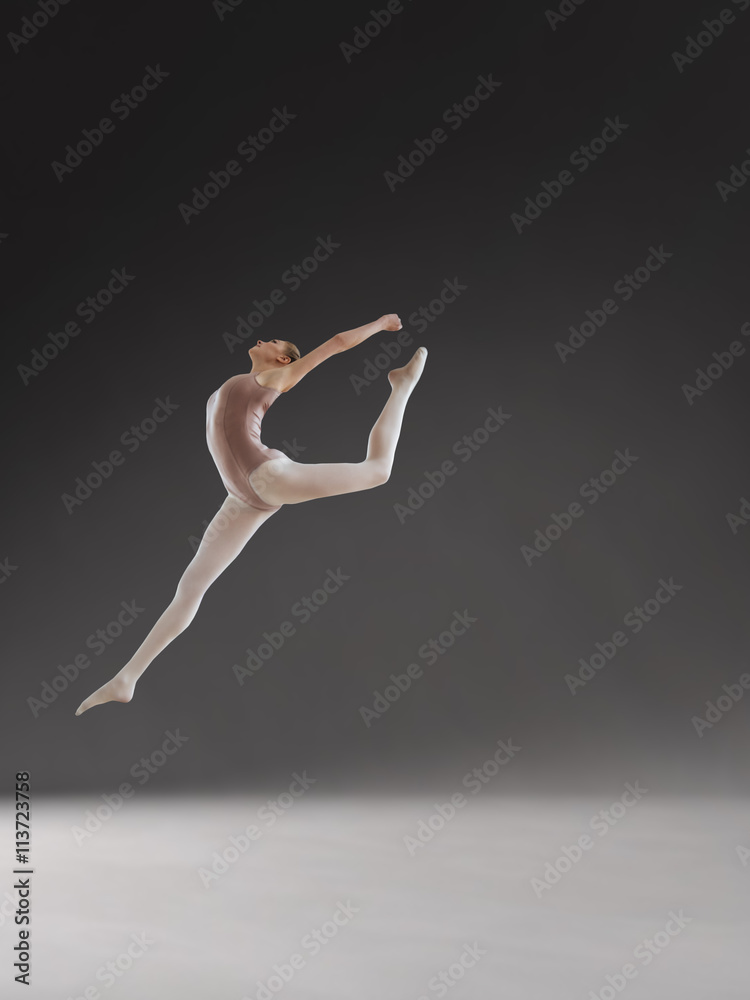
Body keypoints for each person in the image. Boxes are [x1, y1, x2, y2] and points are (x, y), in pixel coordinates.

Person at [75, 315, 427, 715]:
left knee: (377, 471)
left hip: (268, 478)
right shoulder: (236, 383)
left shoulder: (275, 379)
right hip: (240, 496)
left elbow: (336, 342)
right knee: (190, 586)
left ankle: (402, 385)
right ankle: (127, 679)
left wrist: (381, 323)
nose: (263, 338)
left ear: (282, 361)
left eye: (274, 340)